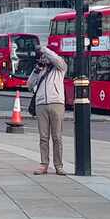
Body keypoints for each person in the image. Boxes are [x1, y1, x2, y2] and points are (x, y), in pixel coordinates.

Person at [27, 46, 67, 176]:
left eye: (45, 56)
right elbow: (29, 85)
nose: (44, 58)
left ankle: (58, 166)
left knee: (57, 137)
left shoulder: (60, 68)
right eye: (42, 57)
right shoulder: (40, 71)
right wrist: (36, 69)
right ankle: (44, 164)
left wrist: (44, 49)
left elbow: (55, 59)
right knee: (43, 137)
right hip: (41, 105)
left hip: (56, 103)